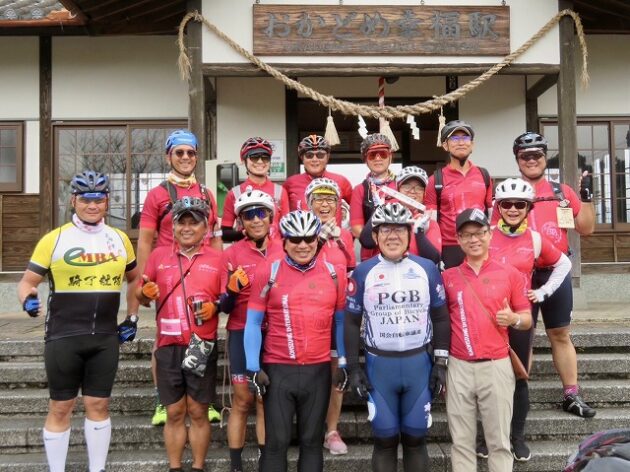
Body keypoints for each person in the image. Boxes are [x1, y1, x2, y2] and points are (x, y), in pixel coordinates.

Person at [17, 170, 139, 472]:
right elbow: (27, 282)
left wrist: (132, 317)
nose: (92, 205)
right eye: (86, 199)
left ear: (107, 201)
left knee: (99, 405)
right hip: (63, 337)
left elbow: (135, 280)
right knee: (61, 407)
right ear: (73, 200)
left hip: (105, 339)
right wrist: (28, 300)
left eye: (98, 199)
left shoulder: (120, 239)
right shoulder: (55, 239)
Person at [344, 202, 451, 472]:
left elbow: (440, 317)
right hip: (380, 368)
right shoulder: (363, 272)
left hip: (419, 366)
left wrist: (440, 363)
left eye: (399, 230)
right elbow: (351, 321)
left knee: (415, 438)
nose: (392, 236)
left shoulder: (427, 268)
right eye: (386, 230)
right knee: (385, 440)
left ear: (409, 234)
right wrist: (354, 368)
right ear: (375, 236)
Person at [244, 210, 347, 472]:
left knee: (311, 442)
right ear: (284, 241)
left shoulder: (334, 273)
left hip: (317, 370)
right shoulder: (269, 270)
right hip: (279, 369)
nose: (303, 245)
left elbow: (341, 322)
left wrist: (344, 362)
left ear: (317, 239)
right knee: (276, 444)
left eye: (309, 238)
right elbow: (253, 322)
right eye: (295, 239)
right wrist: (253, 366)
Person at [134, 129, 222, 425]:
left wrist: (218, 273)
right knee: (164, 339)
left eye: (191, 153)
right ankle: (163, 400)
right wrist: (142, 282)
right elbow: (145, 240)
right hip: (167, 273)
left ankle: (204, 399)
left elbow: (214, 238)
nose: (185, 157)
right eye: (179, 152)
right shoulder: (157, 194)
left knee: (205, 334)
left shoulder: (206, 194)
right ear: (168, 156)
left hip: (201, 271)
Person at [482, 177, 572, 462]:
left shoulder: (534, 239)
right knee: (486, 378)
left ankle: (516, 436)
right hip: (489, 317)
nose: (512, 209)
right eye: (506, 204)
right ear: (498, 207)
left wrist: (543, 292)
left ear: (528, 208)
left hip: (520, 316)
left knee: (518, 375)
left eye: (519, 204)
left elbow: (564, 264)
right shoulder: (485, 235)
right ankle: (486, 437)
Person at [511, 132, 596, 418]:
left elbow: (586, 228)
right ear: (517, 160)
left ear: (545, 158)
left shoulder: (562, 192)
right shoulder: (510, 192)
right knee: (521, 335)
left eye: (536, 155)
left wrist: (586, 196)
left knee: (560, 333)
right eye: (525, 156)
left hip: (555, 273)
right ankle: (517, 396)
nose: (531, 160)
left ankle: (571, 394)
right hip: (521, 275)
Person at [442, 208, 532, 472]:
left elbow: (527, 318)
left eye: (480, 233)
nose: (474, 239)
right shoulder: (448, 277)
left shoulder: (510, 274)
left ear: (489, 234)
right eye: (467, 235)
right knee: (461, 442)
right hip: (458, 366)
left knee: (499, 442)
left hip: (496, 365)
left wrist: (513, 319)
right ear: (459, 240)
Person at [136, 197, 222, 472]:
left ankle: (197, 467)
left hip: (201, 345)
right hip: (167, 344)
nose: (187, 228)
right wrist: (144, 293)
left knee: (197, 411)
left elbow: (228, 298)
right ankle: (175, 467)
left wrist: (215, 307)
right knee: (174, 412)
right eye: (181, 222)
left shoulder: (218, 259)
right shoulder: (158, 255)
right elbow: (141, 293)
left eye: (193, 223)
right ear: (172, 227)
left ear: (205, 228)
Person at [220, 190, 285, 472]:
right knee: (243, 400)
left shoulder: (284, 248)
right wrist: (231, 291)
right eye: (249, 215)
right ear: (241, 222)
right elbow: (224, 306)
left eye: (261, 213)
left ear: (271, 217)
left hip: (275, 331)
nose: (256, 220)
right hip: (240, 331)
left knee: (264, 400)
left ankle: (264, 461)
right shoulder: (232, 253)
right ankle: (235, 465)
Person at [304, 177, 355, 455]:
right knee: (312, 372)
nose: (325, 204)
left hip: (339, 314)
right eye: (319, 199)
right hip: (309, 313)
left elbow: (351, 272)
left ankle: (332, 430)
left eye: (330, 199)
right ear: (308, 203)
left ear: (338, 205)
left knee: (337, 372)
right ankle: (310, 428)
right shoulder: (301, 232)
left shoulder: (344, 234)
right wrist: (321, 240)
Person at [424, 120, 493, 269]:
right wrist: (437, 253)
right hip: (450, 248)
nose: (461, 142)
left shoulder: (484, 175)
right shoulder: (435, 180)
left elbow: (491, 216)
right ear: (445, 145)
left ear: (472, 144)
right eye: (454, 138)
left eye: (465, 138)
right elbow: (431, 223)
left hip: (479, 243)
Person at [359, 166, 442, 265]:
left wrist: (419, 233)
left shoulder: (429, 223)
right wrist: (379, 209)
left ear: (424, 194)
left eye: (419, 188)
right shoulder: (384, 215)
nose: (412, 191)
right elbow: (366, 242)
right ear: (397, 190)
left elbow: (434, 259)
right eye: (407, 187)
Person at [221, 137, 290, 242]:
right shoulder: (234, 193)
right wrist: (245, 233)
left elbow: (287, 229)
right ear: (244, 161)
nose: (260, 161)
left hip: (274, 250)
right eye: (254, 157)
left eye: (265, 158)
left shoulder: (280, 191)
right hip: (244, 250)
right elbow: (225, 233)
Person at [350, 134, 399, 261]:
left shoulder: (402, 185)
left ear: (390, 157)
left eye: (383, 154)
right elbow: (356, 228)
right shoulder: (360, 189)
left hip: (401, 250)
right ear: (365, 159)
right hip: (372, 255)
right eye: (372, 155)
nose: (378, 158)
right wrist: (382, 240)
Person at [283, 135, 352, 222]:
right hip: (302, 231)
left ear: (327, 157)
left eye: (320, 155)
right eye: (309, 155)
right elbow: (281, 215)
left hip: (334, 230)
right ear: (302, 158)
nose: (315, 159)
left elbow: (357, 213)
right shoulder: (290, 183)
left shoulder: (342, 181)